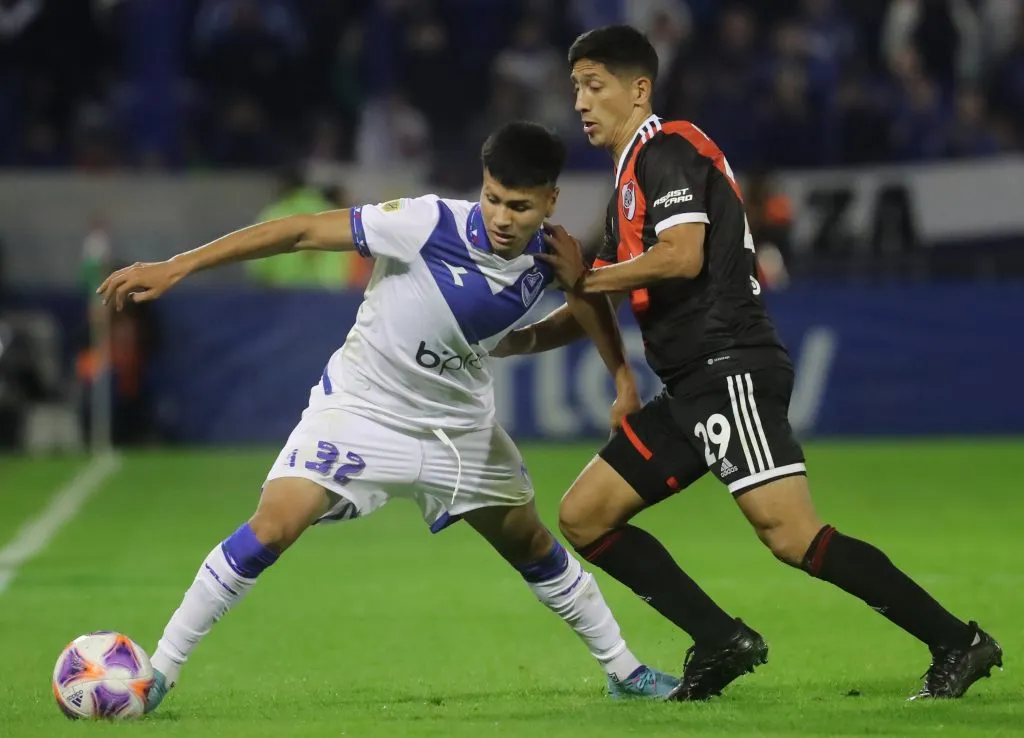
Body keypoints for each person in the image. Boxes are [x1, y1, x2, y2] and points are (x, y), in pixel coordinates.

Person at [494, 26, 1002, 702]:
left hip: (728, 365)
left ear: (638, 89)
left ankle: (957, 642)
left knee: (792, 535)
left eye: (595, 86)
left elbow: (682, 258)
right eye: (576, 88)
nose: (581, 102)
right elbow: (607, 290)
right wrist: (522, 339)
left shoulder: (667, 149)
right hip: (688, 385)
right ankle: (720, 638)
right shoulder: (626, 181)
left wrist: (587, 278)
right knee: (586, 515)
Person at [97, 121, 677, 712]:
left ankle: (624, 670)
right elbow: (297, 231)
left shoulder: (553, 252)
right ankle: (159, 670)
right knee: (273, 525)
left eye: (520, 206)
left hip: (459, 430)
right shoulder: (424, 222)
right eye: (493, 199)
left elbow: (585, 298)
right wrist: (178, 266)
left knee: (531, 544)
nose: (503, 216)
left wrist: (622, 377)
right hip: (361, 410)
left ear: (549, 201)